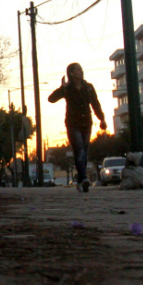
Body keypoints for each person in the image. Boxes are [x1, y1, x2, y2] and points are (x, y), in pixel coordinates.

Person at [48, 63, 107, 193]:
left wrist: (101, 119)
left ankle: (81, 182)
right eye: (78, 69)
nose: (81, 71)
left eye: (81, 69)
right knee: (79, 150)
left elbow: (95, 104)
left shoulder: (89, 88)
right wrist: (62, 88)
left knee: (84, 152)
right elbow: (51, 99)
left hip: (86, 123)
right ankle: (84, 178)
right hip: (72, 124)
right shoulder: (68, 88)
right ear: (72, 73)